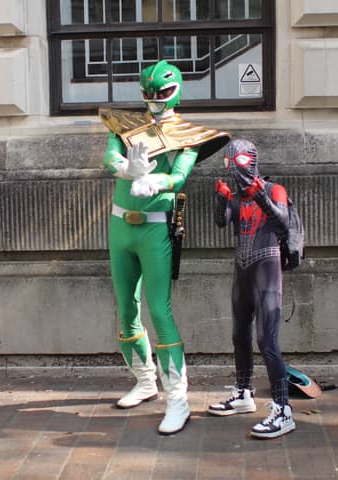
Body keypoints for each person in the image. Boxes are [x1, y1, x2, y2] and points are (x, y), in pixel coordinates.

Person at [99, 60, 229, 435]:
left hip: (156, 230)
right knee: (126, 309)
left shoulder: (188, 133)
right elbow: (110, 159)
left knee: (159, 310)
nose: (155, 100)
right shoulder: (124, 127)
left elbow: (179, 175)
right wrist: (128, 169)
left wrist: (154, 182)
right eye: (149, 93)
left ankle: (178, 400)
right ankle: (144, 380)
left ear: (176, 91)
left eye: (162, 93)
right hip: (120, 226)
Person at [207, 138, 296, 439]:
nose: (235, 168)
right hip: (241, 270)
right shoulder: (237, 196)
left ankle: (283, 409)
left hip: (266, 268)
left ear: (252, 160)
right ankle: (244, 392)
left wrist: (260, 196)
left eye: (240, 161)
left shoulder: (274, 190)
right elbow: (221, 222)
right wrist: (222, 199)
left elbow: (283, 223)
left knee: (266, 340)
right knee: (239, 335)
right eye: (230, 162)